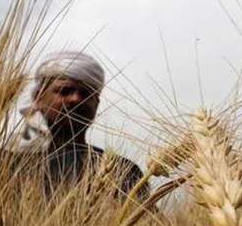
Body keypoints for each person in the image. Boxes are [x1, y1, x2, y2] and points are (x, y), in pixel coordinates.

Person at [9, 50, 147, 201]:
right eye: (64, 90)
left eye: (86, 93)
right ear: (39, 98)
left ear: (96, 105)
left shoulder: (122, 170)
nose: (75, 98)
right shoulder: (7, 162)